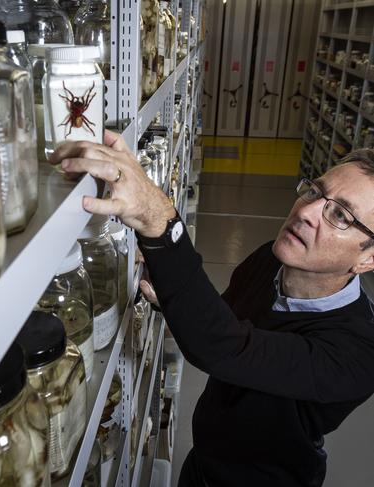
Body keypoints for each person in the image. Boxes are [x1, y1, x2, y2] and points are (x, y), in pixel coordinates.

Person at [49, 132, 374, 487]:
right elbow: (229, 321)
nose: (307, 213)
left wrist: (158, 220)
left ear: (367, 258)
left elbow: (226, 348)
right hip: (204, 461)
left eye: (340, 215)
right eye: (315, 192)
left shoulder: (357, 353)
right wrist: (174, 298)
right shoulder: (272, 258)